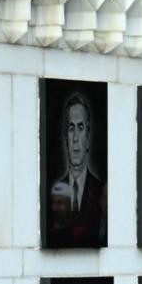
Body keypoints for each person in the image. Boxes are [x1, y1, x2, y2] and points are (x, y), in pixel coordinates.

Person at [47, 90, 105, 248]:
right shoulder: (52, 192)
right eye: (71, 128)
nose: (75, 138)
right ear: (65, 138)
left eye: (80, 128)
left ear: (88, 136)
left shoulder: (100, 190)